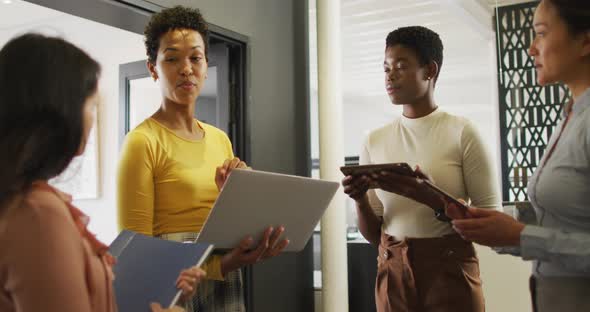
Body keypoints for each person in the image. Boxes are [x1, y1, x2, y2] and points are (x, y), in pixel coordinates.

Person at [0, 33, 203, 312]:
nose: (93, 119)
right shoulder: (38, 215)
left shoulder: (25, 204)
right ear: (62, 113)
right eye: (91, 105)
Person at [117, 6, 288, 311]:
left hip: (225, 281)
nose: (186, 68)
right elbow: (135, 258)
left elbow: (224, 224)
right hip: (172, 290)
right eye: (171, 58)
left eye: (195, 57)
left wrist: (238, 195)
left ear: (207, 64)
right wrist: (220, 266)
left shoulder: (220, 139)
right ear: (153, 68)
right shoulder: (142, 142)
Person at [341, 26, 501, 312]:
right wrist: (360, 199)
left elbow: (492, 224)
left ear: (430, 70)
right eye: (386, 68)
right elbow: (375, 235)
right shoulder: (374, 140)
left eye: (401, 66)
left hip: (449, 266)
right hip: (392, 269)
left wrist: (429, 196)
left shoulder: (462, 132)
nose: (390, 75)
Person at [448, 1, 590, 311]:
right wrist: (502, 230)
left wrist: (524, 237)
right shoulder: (570, 116)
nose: (530, 49)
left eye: (540, 34)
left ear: (585, 41)